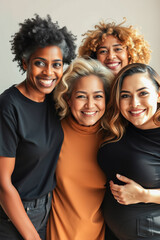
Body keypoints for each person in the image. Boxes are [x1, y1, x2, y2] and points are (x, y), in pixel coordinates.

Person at [0, 14, 76, 240]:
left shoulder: (56, 100)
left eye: (57, 64)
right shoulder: (8, 106)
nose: (48, 72)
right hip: (14, 213)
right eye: (40, 63)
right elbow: (3, 185)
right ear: (25, 63)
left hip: (47, 208)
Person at [46, 57, 114, 240]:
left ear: (107, 99)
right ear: (68, 99)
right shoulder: (53, 133)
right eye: (81, 96)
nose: (90, 105)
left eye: (98, 96)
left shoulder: (112, 139)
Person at [98, 63, 160, 240]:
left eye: (143, 93)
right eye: (125, 95)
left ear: (158, 95)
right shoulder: (119, 126)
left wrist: (144, 195)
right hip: (110, 233)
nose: (134, 103)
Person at [78, 18, 151, 76]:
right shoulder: (89, 88)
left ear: (131, 53)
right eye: (103, 51)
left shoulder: (142, 84)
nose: (110, 56)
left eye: (118, 49)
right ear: (94, 57)